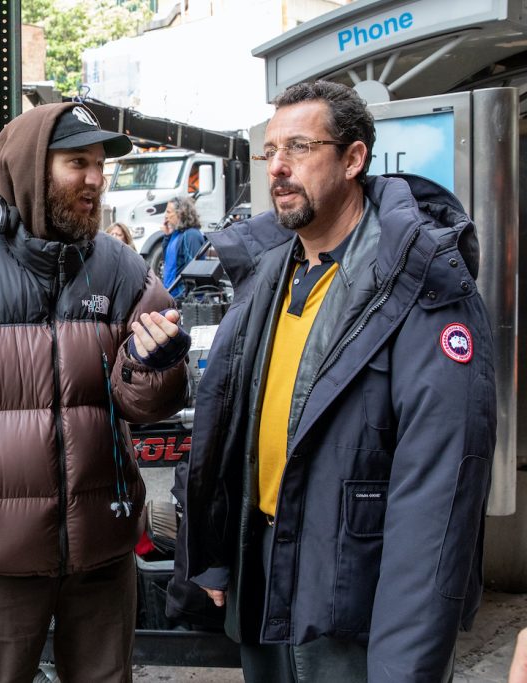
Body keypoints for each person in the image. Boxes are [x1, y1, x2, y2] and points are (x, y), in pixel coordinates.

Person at [167, 80, 497, 682]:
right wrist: (213, 552)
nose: (280, 168)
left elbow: (436, 502)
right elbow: (227, 429)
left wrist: (405, 665)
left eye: (300, 146)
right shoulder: (268, 271)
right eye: (271, 152)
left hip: (356, 598)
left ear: (353, 159)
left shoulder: (421, 284)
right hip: (262, 572)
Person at [0, 102, 190, 683]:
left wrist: (158, 365)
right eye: (78, 163)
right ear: (27, 171)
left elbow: (145, 402)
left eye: (99, 165)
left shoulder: (123, 270)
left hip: (104, 540)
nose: (95, 179)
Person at [160, 196, 205, 297]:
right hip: (171, 295)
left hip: (182, 298)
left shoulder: (191, 235)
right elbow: (167, 261)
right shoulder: (176, 234)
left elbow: (194, 271)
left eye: (168, 212)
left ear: (180, 213)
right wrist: (167, 236)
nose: (165, 216)